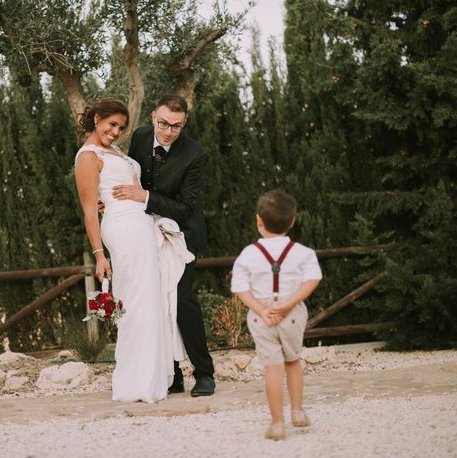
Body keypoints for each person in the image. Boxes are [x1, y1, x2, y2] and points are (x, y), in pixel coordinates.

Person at [112, 94, 215, 397]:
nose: (169, 131)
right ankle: (172, 376)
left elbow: (185, 207)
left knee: (182, 301)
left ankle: (204, 373)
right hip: (146, 232)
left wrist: (141, 197)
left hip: (182, 234)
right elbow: (131, 178)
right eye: (164, 123)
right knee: (156, 304)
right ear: (153, 117)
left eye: (177, 126)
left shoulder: (196, 155)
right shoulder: (142, 137)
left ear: (184, 124)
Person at [74, 99, 169, 403]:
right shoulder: (87, 156)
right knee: (134, 300)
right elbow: (90, 211)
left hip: (141, 224)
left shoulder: (114, 152)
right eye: (111, 124)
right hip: (122, 228)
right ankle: (133, 382)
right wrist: (99, 255)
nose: (116, 132)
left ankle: (150, 378)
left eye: (121, 128)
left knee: (149, 298)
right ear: (97, 119)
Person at [230, 190, 322, 440]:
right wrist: (287, 305)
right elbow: (313, 279)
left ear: (259, 220)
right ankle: (298, 411)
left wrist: (261, 309)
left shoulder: (248, 254)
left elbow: (239, 287)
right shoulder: (303, 252)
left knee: (273, 368)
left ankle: (277, 424)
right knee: (292, 361)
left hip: (261, 317)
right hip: (291, 315)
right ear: (292, 221)